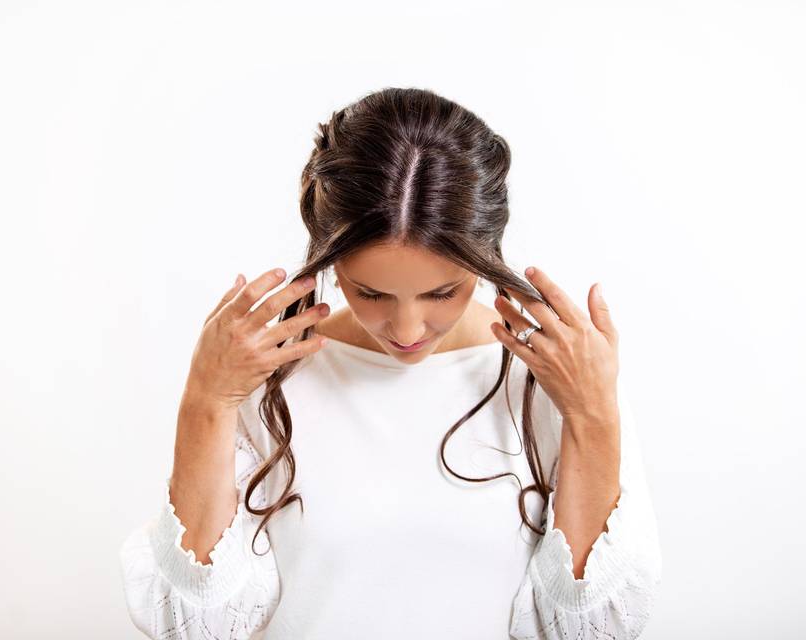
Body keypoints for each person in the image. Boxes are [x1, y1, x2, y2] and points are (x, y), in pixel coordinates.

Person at [119, 87, 662, 639]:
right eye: (371, 293)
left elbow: (592, 631)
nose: (406, 332)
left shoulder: (555, 383)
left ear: (487, 254)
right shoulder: (262, 378)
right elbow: (197, 626)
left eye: (441, 293)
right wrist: (206, 401)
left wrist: (592, 414)